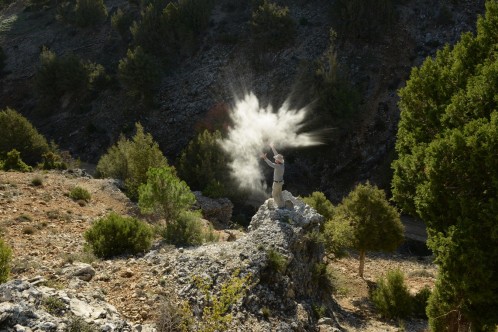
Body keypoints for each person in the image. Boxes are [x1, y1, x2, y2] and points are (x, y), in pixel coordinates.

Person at [261, 143, 285, 208]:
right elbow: (277, 155)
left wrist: (265, 158)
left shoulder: (277, 166)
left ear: (278, 161)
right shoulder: (282, 164)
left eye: (276, 159)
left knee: (274, 195)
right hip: (280, 182)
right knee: (279, 194)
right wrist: (272, 147)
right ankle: (283, 205)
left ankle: (280, 206)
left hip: (276, 183)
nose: (275, 159)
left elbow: (270, 164)